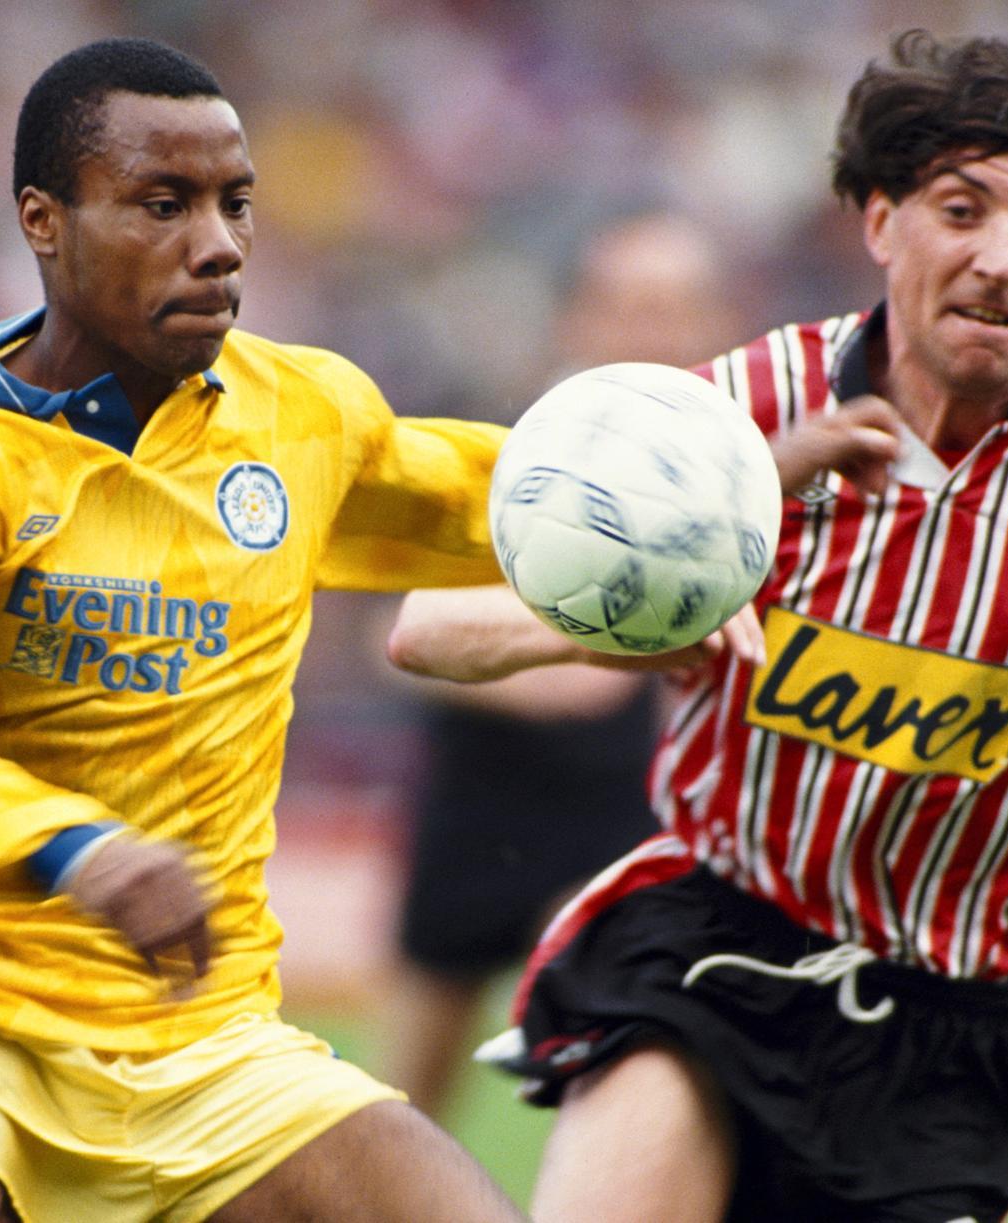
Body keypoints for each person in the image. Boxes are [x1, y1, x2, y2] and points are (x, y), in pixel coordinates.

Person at [0, 35, 533, 1223]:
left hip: (204, 1036)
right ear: (43, 221)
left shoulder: (302, 416)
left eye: (235, 203)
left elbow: (517, 500)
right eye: (163, 204)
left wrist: (747, 481)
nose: (218, 244)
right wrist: (74, 847)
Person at [387, 28, 1008, 1223]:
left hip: (948, 1028)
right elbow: (427, 629)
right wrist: (640, 606)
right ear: (880, 222)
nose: (1000, 258)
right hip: (713, 949)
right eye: (960, 211)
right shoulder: (738, 413)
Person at [381, 213, 739, 1120]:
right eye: (630, 306)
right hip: (479, 801)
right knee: (405, 1105)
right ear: (578, 317)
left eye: (675, 309)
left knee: (621, 1076)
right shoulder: (502, 451)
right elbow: (391, 640)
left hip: (623, 810)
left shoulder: (741, 477)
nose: (653, 333)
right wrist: (547, 667)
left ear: (714, 322)